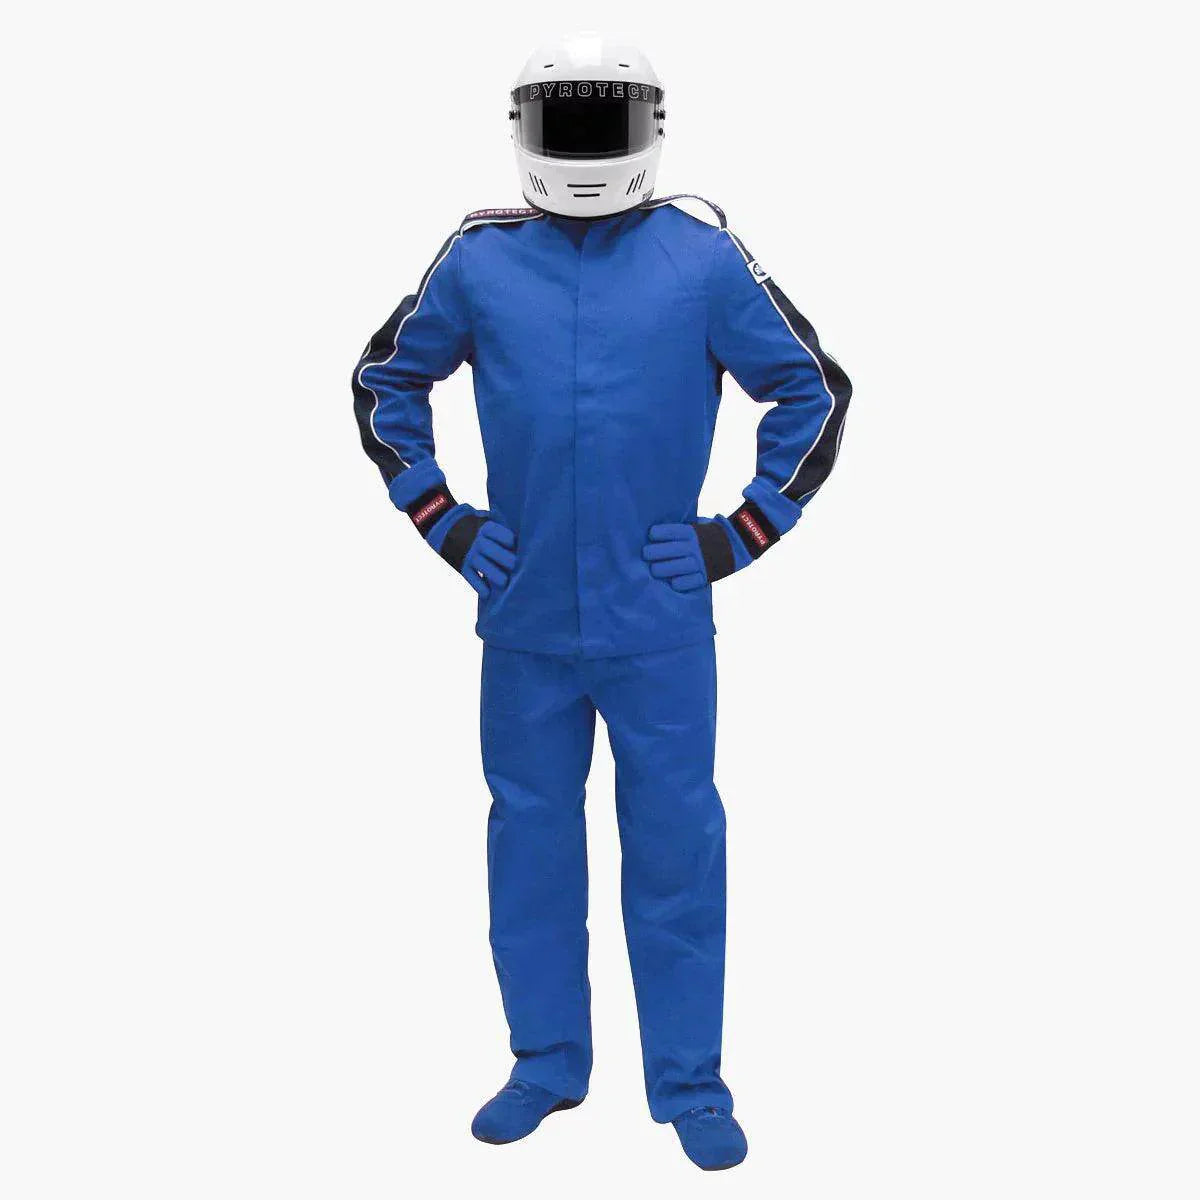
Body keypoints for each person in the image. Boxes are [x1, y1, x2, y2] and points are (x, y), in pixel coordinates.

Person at [352, 33, 851, 1171]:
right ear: (522, 129)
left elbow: (812, 389)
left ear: (651, 127)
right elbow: (384, 382)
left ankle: (690, 1083)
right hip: (525, 619)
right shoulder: (479, 259)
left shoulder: (700, 258)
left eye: (603, 122)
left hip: (658, 620)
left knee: (677, 849)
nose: (581, 148)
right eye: (561, 122)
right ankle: (545, 1064)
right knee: (529, 844)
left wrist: (741, 531)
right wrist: (445, 520)